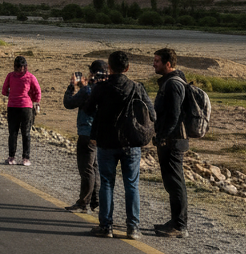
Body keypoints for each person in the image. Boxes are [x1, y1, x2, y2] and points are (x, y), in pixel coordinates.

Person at [84, 50, 154, 239]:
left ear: (109, 67)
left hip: (106, 142)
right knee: (131, 185)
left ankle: (106, 227)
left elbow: (89, 110)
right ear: (127, 68)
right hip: (131, 143)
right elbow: (152, 114)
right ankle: (133, 228)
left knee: (106, 183)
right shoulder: (137, 87)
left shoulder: (101, 88)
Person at [152, 47, 190, 239]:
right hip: (171, 139)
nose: (154, 64)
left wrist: (163, 136)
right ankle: (175, 221)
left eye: (157, 61)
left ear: (168, 64)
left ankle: (180, 226)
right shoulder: (169, 81)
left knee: (175, 183)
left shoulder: (173, 84)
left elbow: (174, 115)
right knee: (172, 183)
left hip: (174, 141)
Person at [62, 60, 106, 212]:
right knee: (95, 168)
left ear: (92, 73)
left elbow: (68, 103)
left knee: (86, 168)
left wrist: (72, 86)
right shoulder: (105, 88)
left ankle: (83, 202)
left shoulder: (88, 90)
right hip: (101, 133)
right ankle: (95, 200)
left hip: (87, 132)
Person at [1, 56, 41, 166]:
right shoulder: (30, 77)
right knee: (26, 133)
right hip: (26, 108)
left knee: (13, 133)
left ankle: (11, 157)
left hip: (13, 107)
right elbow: (38, 91)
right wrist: (35, 101)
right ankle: (25, 158)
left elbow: (4, 90)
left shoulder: (10, 76)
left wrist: (11, 94)